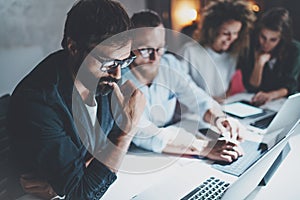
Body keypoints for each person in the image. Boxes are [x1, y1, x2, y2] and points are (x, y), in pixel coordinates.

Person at [8, 0, 146, 199]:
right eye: (109, 63)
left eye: (124, 61)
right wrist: (125, 134)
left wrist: (74, 177)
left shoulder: (104, 78)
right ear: (73, 47)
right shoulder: (37, 102)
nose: (117, 74)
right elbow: (80, 195)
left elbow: (100, 152)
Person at [124, 10, 244, 163]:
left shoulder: (170, 64)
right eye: (145, 50)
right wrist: (204, 147)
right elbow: (145, 134)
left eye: (160, 48)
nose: (155, 58)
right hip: (136, 156)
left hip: (172, 148)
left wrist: (219, 118)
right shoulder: (120, 81)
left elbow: (196, 97)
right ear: (129, 47)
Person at [180, 0, 255, 103]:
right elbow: (180, 87)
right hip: (195, 109)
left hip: (221, 107)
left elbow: (226, 85)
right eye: (225, 33)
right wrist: (207, 99)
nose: (231, 38)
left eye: (235, 33)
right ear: (212, 31)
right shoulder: (189, 51)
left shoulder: (233, 55)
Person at [241, 7, 300, 106]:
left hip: (283, 102)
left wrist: (270, 95)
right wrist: (259, 64)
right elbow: (251, 87)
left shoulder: (294, 50)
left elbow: (290, 86)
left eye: (273, 40)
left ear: (281, 38)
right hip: (256, 101)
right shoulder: (251, 46)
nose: (265, 44)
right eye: (263, 37)